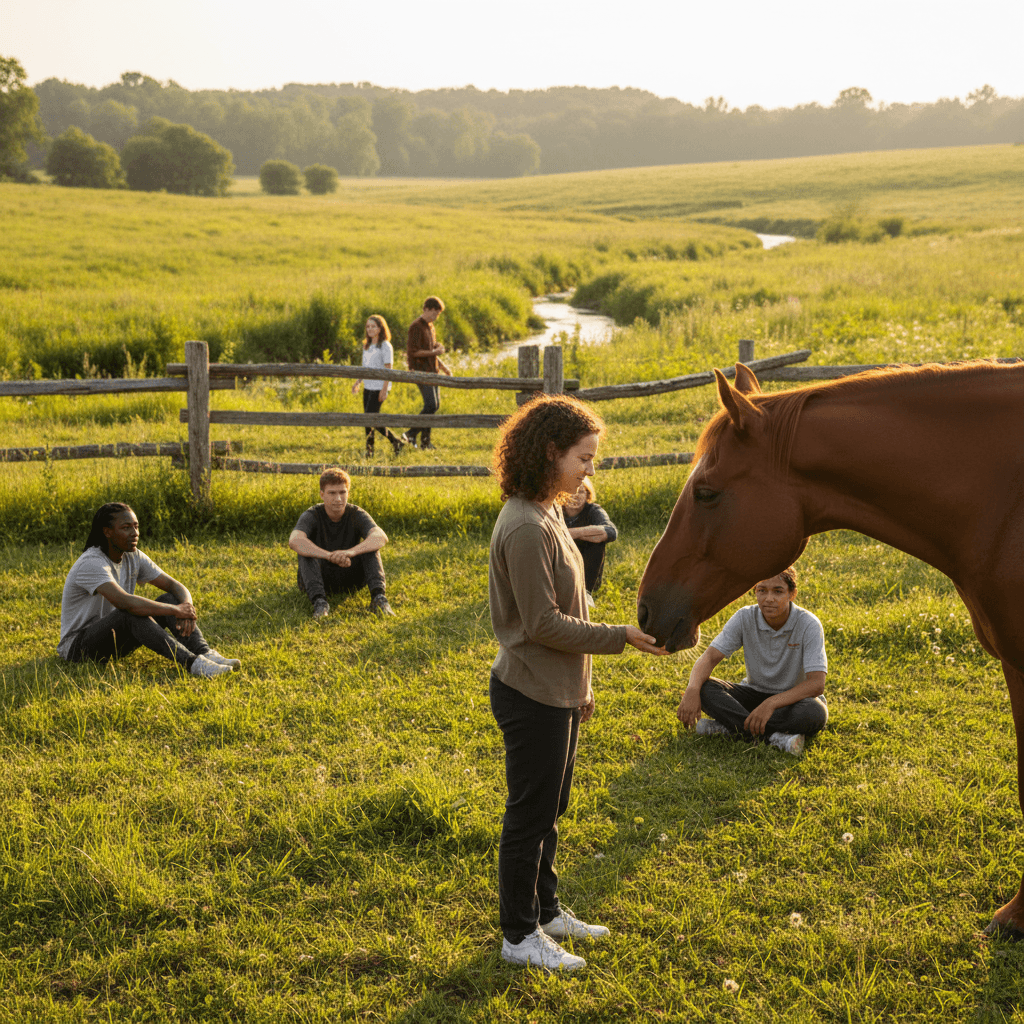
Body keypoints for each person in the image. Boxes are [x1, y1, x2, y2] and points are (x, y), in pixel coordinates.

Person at [488, 393, 668, 972]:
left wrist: (582, 687)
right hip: (530, 691)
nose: (591, 470)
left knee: (552, 806)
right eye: (584, 458)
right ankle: (519, 936)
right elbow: (542, 623)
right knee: (530, 815)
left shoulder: (550, 512)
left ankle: (546, 911)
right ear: (551, 452)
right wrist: (620, 638)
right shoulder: (523, 525)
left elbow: (575, 603)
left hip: (559, 689)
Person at [58, 502, 240, 677]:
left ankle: (205, 653)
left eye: (136, 526)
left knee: (170, 598)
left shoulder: (132, 556)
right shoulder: (92, 563)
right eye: (126, 527)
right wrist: (176, 610)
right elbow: (125, 602)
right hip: (78, 648)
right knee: (129, 612)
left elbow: (174, 586)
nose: (134, 533)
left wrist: (186, 608)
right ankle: (193, 664)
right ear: (107, 532)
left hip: (114, 640)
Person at [676, 567, 828, 756]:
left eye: (778, 591)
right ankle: (773, 737)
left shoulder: (808, 624)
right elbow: (709, 657)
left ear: (792, 594)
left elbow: (816, 684)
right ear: (754, 591)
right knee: (705, 688)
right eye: (761, 590)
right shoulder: (744, 617)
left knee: (814, 713)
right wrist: (692, 690)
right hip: (753, 695)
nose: (769, 598)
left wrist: (771, 704)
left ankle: (731, 728)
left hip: (792, 701)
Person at [288, 467, 394, 619]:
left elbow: (380, 536)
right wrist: (329, 556)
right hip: (320, 577)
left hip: (350, 576)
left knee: (371, 546)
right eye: (332, 493)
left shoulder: (356, 513)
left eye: (342, 492)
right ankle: (320, 603)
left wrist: (350, 552)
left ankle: (379, 599)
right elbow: (294, 540)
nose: (338, 498)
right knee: (305, 551)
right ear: (322, 495)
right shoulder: (312, 514)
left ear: (348, 494)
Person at [351, 314, 406, 459]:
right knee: (368, 421)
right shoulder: (366, 346)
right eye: (368, 326)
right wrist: (358, 382)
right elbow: (364, 367)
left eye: (373, 326)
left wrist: (384, 389)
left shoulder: (385, 346)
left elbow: (389, 369)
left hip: (379, 387)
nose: (370, 329)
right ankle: (371, 450)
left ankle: (394, 442)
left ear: (380, 328)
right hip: (368, 386)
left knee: (371, 419)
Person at [562, 478, 618, 608]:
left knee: (598, 542)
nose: (576, 495)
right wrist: (589, 532)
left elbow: (610, 531)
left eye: (581, 492)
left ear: (587, 495)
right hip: (561, 557)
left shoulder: (593, 510)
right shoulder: (555, 510)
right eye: (571, 492)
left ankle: (585, 592)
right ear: (562, 494)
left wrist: (569, 533)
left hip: (585, 560)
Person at [405, 296, 451, 450]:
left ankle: (425, 442)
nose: (436, 317)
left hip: (433, 371)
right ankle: (410, 434)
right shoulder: (416, 327)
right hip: (420, 371)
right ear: (426, 309)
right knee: (430, 404)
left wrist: (444, 368)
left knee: (435, 405)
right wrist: (435, 352)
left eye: (437, 314)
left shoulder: (430, 326)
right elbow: (414, 352)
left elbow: (433, 352)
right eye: (435, 314)